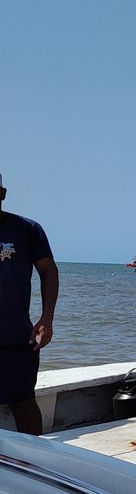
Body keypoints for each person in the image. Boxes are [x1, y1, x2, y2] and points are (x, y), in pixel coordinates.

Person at [0, 173, 58, 434]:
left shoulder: (26, 229)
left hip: (16, 337)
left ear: (3, 193)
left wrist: (46, 319)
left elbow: (48, 271)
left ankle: (32, 466)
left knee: (24, 404)